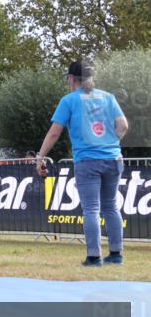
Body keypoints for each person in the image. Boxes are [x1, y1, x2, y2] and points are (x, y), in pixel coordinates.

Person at [36, 60, 128, 266]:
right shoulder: (108, 97)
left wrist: (40, 156)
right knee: (111, 207)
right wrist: (110, 143)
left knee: (91, 209)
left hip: (87, 160)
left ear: (71, 79)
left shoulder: (69, 100)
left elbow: (54, 133)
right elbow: (123, 125)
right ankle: (116, 254)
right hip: (113, 158)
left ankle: (94, 256)